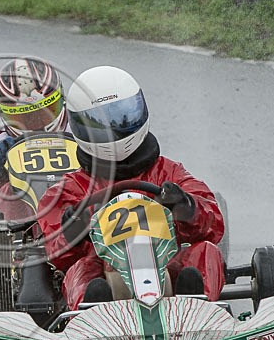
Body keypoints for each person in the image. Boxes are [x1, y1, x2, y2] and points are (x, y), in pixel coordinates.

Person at [37, 66, 225, 310]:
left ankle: (198, 307)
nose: (114, 128)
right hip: (107, 275)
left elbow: (214, 224)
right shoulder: (71, 188)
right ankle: (95, 314)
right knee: (81, 269)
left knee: (205, 252)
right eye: (101, 123)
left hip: (166, 267)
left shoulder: (168, 173)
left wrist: (187, 207)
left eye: (120, 116)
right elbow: (57, 255)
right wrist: (74, 231)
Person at [0, 57, 70, 219]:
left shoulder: (81, 130)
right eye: (25, 117)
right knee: (7, 191)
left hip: (78, 209)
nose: (36, 125)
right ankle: (13, 239)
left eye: (44, 113)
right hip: (23, 221)